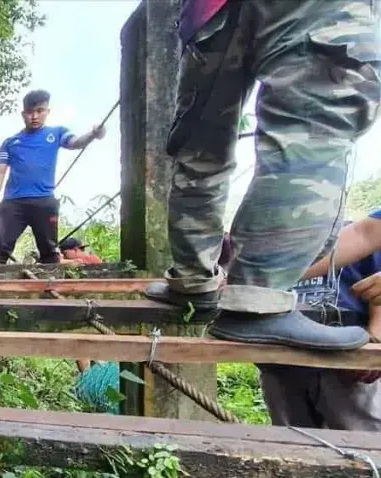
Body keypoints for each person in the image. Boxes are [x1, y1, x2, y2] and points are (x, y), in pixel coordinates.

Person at [144, 0, 380, 351]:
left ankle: (194, 279)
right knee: (316, 117)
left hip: (210, 12)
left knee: (201, 141)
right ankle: (257, 302)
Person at [258, 210, 381, 431]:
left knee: (360, 431)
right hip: (283, 355)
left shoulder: (350, 233)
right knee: (291, 435)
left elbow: (376, 293)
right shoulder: (271, 247)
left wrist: (375, 341)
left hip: (347, 353)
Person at [0, 90, 106, 264]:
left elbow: (75, 143)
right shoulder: (10, 142)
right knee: (1, 250)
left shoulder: (56, 133)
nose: (34, 116)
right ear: (23, 114)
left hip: (44, 201)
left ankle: (50, 287)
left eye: (40, 111)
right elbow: (0, 170)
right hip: (13, 202)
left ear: (47, 112)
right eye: (29, 112)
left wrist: (93, 135)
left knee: (49, 251)